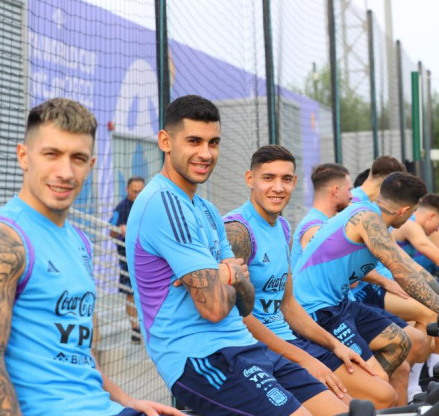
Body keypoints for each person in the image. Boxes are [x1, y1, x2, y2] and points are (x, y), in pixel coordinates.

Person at [0, 98, 182, 416]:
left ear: (90, 165)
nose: (65, 172)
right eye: (51, 154)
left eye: (77, 158)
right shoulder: (1, 239)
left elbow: (80, 357)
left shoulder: (80, 241)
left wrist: (127, 402)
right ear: (24, 156)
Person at [126, 95, 344, 416]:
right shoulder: (163, 203)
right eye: (194, 141)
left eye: (213, 143)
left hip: (246, 346)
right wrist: (230, 273)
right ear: (165, 141)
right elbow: (214, 308)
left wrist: (224, 277)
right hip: (200, 357)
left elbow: (245, 303)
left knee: (343, 410)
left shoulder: (207, 210)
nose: (205, 153)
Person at [223, 146, 397, 409]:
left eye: (286, 179)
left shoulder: (282, 227)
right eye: (268, 178)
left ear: (294, 182)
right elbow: (239, 318)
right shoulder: (237, 230)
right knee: (357, 405)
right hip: (260, 350)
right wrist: (305, 359)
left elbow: (289, 304)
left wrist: (334, 345)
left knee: (382, 393)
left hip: (292, 339)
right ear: (250, 179)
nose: (278, 187)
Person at [293, 172, 439, 405]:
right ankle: (361, 397)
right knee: (379, 386)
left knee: (400, 343)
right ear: (404, 210)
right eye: (413, 211)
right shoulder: (367, 219)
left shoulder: (376, 221)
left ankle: (368, 397)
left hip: (340, 304)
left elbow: (414, 269)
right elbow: (403, 274)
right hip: (316, 311)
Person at [291, 163, 353, 269]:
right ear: (336, 191)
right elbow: (347, 276)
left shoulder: (326, 222)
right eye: (349, 190)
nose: (351, 196)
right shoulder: (315, 228)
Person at [110, 176, 145, 343]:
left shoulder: (148, 206)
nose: (138, 194)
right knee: (130, 295)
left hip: (148, 260)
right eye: (134, 191)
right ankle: (135, 329)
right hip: (127, 261)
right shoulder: (122, 208)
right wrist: (119, 229)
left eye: (141, 191)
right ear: (127, 190)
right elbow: (111, 230)